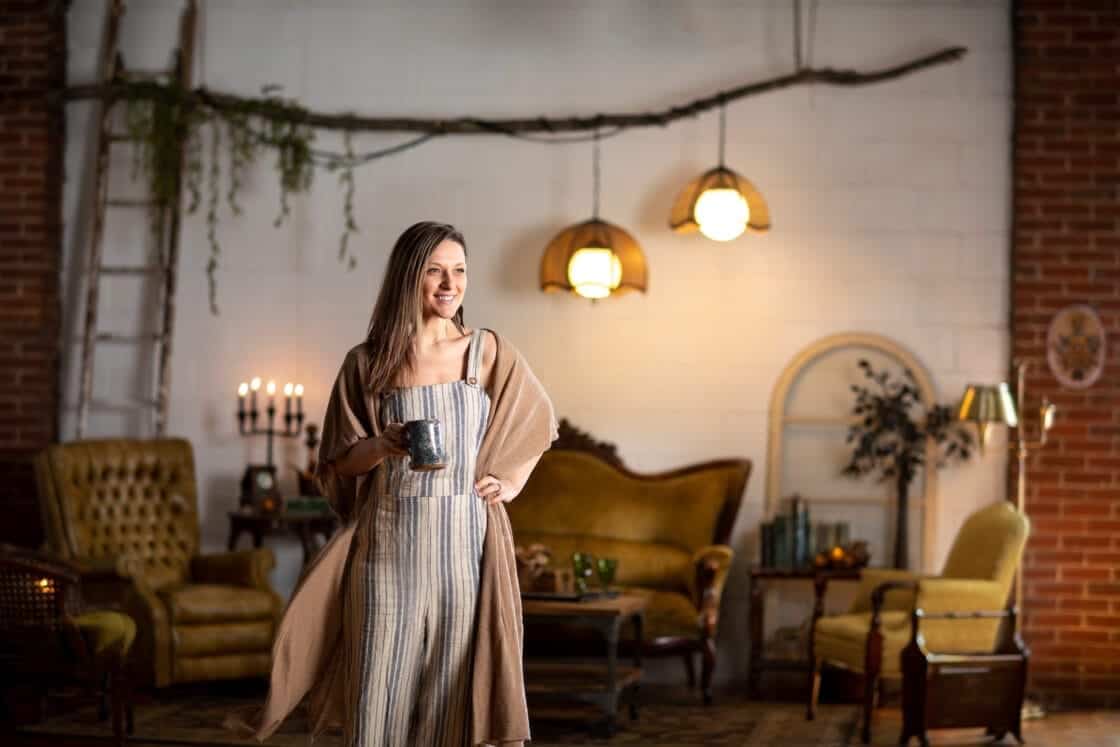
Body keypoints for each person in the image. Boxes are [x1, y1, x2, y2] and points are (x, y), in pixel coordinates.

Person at [227, 222, 556, 747]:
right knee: (375, 696)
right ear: (409, 277)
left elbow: (537, 420)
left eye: (459, 271)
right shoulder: (367, 361)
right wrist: (383, 444)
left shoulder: (486, 352)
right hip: (386, 549)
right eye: (435, 271)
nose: (450, 284)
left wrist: (508, 480)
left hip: (463, 551)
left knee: (450, 703)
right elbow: (338, 462)